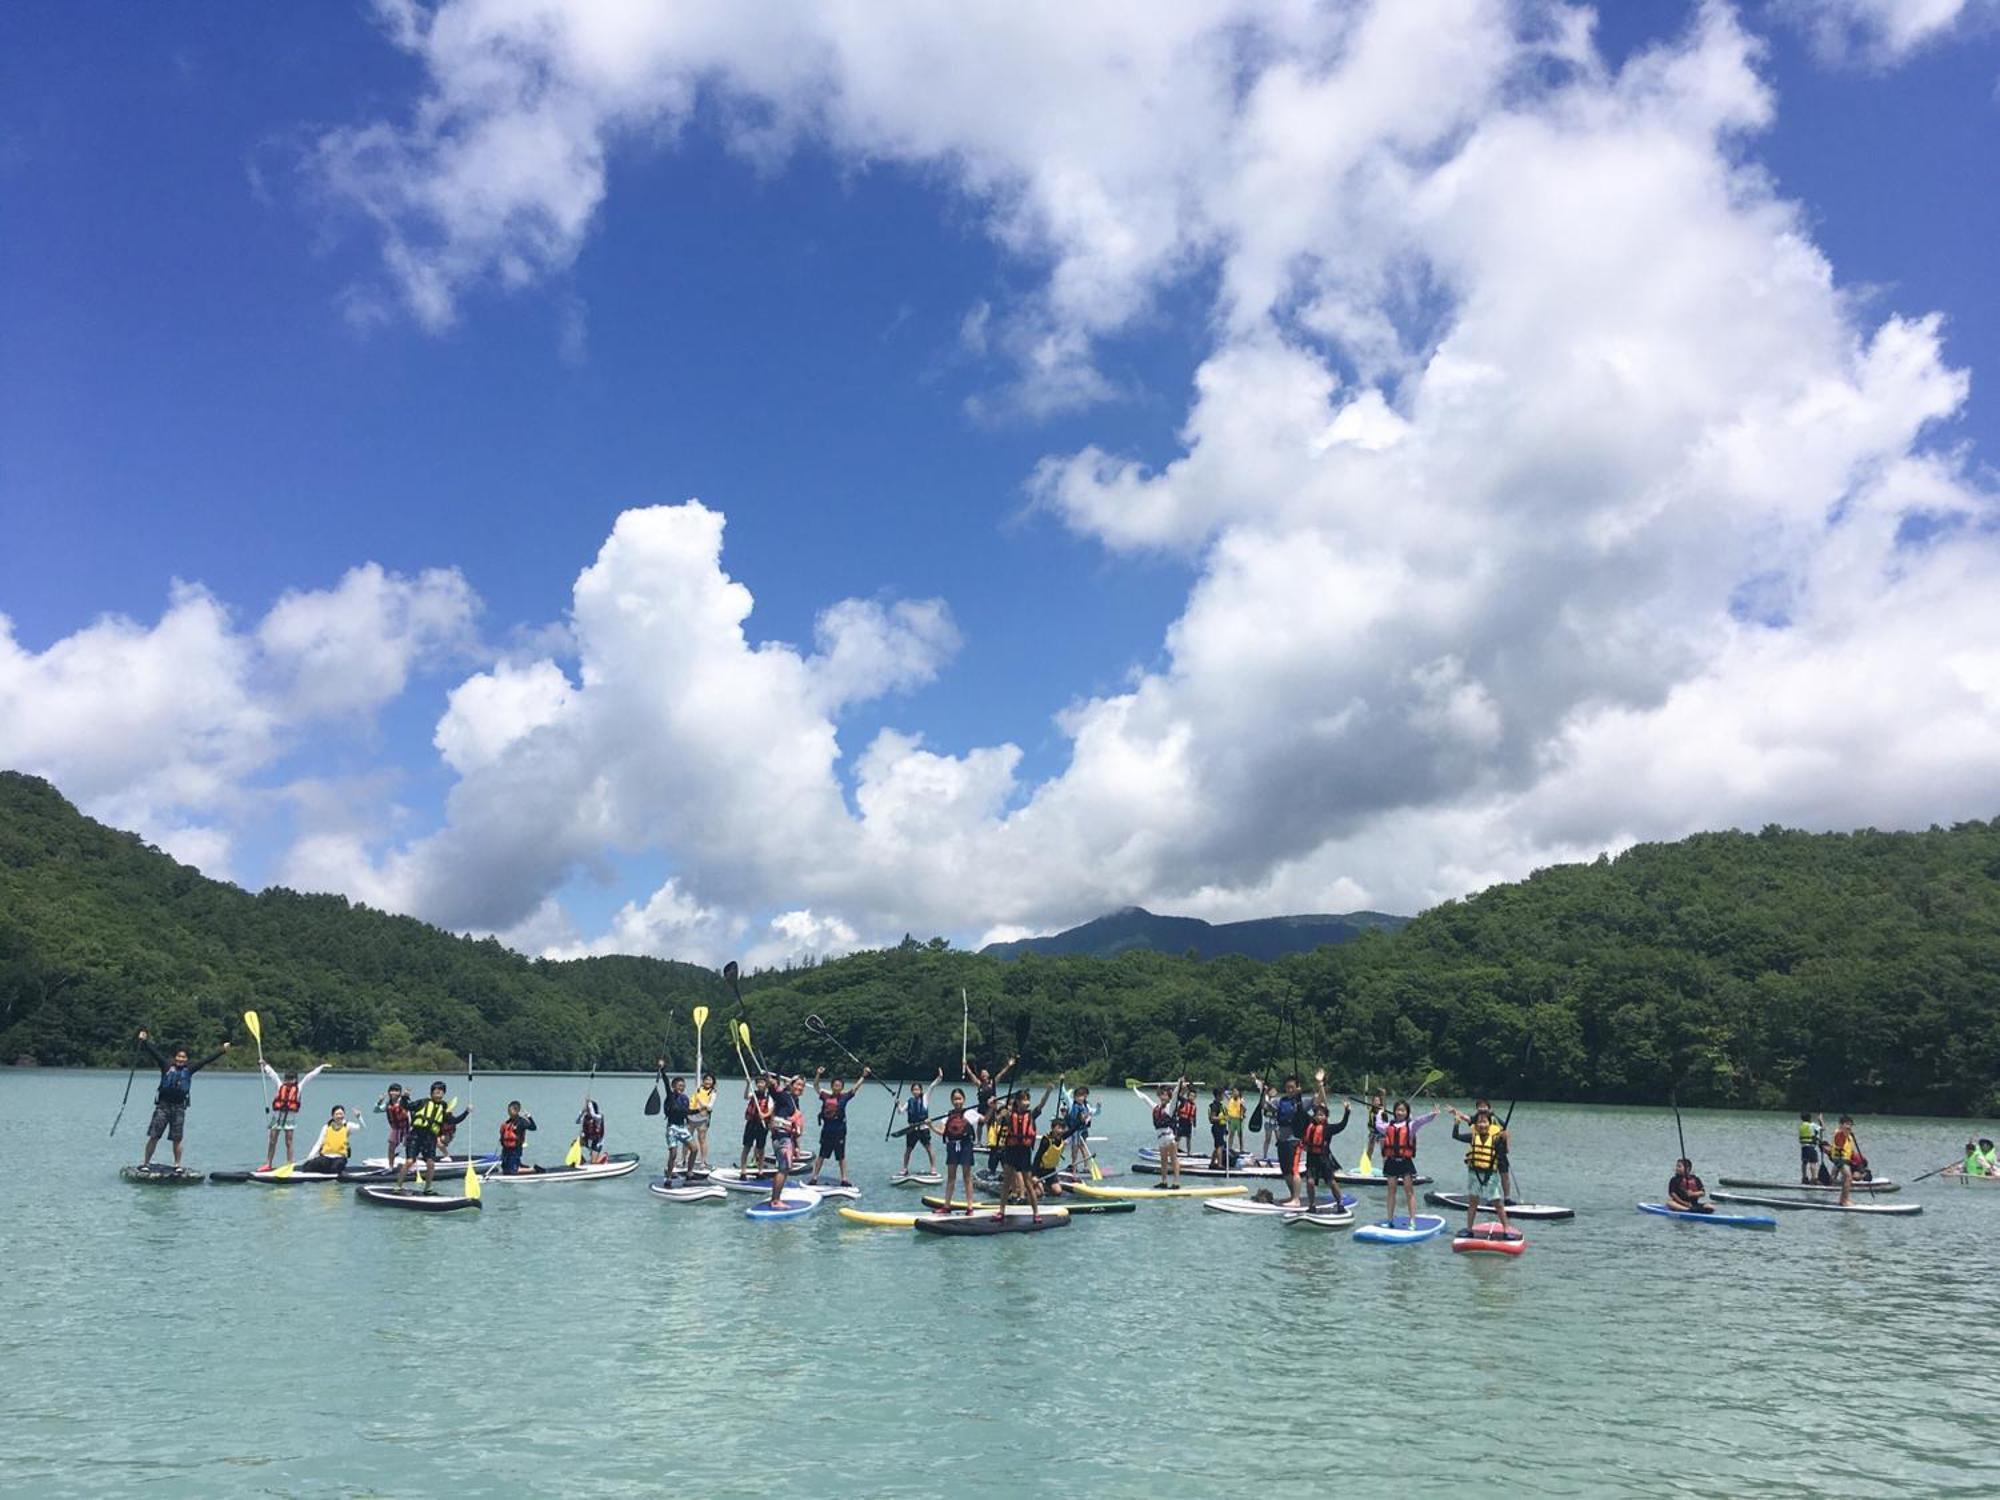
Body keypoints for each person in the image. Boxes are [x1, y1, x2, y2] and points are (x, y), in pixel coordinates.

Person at [135, 1029, 230, 1171]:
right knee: (154, 1136)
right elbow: (154, 1053)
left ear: (186, 1059)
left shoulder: (189, 1069)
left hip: (179, 1108)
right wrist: (144, 1040)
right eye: (178, 1057)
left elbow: (206, 1060)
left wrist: (222, 1050)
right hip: (163, 1107)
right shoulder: (166, 1066)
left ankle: (177, 1165)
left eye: (183, 1057)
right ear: (175, 1058)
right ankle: (146, 1163)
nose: (180, 1059)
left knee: (177, 1139)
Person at [1447, 1099, 1511, 1234]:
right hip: (1474, 1173)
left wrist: (1504, 1139)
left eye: (1484, 1122)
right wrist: (1456, 1123)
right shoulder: (1472, 1136)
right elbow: (1455, 1136)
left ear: (1489, 1124)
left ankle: (1506, 1229)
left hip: (1490, 1174)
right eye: (1479, 1122)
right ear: (1476, 1124)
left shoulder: (1496, 1138)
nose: (1482, 1124)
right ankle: (1469, 1229)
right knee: (1473, 1203)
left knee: (1498, 1203)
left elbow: (1504, 1151)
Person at [1375, 1097, 1440, 1225]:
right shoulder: (1389, 1126)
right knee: (1391, 1191)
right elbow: (1378, 1126)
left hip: (1405, 1161)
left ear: (1407, 1113)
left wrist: (1433, 1114)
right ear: (1394, 1112)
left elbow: (1421, 1121)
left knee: (1409, 1191)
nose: (1400, 1113)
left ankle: (1412, 1220)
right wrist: (1379, 1113)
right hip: (1391, 1161)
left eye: (1403, 1110)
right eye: (1398, 1110)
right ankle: (1390, 1219)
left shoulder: (1411, 1125)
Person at [396, 1082, 471, 1192]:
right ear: (431, 1093)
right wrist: (404, 1097)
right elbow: (406, 1106)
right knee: (409, 1161)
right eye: (436, 1092)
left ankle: (428, 1188)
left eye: (441, 1092)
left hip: (430, 1138)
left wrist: (466, 1112)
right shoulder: (422, 1102)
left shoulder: (443, 1106)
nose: (439, 1094)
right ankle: (398, 1186)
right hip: (416, 1135)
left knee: (431, 1163)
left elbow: (453, 1121)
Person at [261, 1060, 330, 1170]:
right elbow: (273, 1075)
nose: (288, 1081)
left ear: (295, 1079)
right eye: (287, 1079)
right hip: (277, 1117)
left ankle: (289, 1163)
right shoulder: (280, 1085)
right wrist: (265, 1065)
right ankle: (268, 1163)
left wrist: (321, 1067)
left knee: (288, 1141)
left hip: (289, 1118)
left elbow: (309, 1076)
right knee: (272, 1140)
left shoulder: (299, 1087)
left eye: (291, 1079)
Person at [998, 1085, 1053, 1221]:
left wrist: (1048, 1091)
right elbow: (999, 1119)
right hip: (1011, 1150)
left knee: (1028, 1183)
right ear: (1017, 1102)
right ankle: (1001, 1211)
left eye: (1027, 1099)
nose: (1026, 1102)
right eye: (1023, 1100)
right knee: (1007, 1182)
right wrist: (1000, 1111)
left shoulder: (1031, 1114)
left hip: (1024, 1151)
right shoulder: (1010, 1115)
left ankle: (1036, 1213)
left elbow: (1041, 1104)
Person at [1299, 1073, 1351, 1214]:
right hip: (1311, 1158)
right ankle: (1311, 1205)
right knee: (1309, 1182)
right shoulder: (1310, 1123)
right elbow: (1302, 1110)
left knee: (1331, 1182)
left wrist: (1347, 1112)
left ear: (1326, 1117)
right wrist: (1300, 1094)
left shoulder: (1328, 1128)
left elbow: (1342, 1125)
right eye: (1318, 1114)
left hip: (1324, 1159)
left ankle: (1340, 1203)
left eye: (1322, 1115)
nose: (1319, 1116)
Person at [809, 1066, 869, 1186]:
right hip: (827, 1130)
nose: (837, 1086)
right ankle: (814, 1177)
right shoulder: (826, 1096)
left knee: (841, 1156)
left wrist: (863, 1076)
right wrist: (818, 1074)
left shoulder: (844, 1097)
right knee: (821, 1155)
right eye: (835, 1085)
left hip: (840, 1131)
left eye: (839, 1085)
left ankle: (844, 1179)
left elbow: (855, 1088)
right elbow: (816, 1086)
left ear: (842, 1087)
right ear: (832, 1086)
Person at [931, 1087, 980, 1212]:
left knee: (966, 1176)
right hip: (952, 1146)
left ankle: (970, 1207)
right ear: (951, 1101)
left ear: (963, 1099)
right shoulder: (947, 1116)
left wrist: (991, 1107)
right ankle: (947, 1206)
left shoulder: (970, 1113)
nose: (957, 1101)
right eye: (955, 1099)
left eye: (959, 1098)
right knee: (951, 1177)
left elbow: (984, 1120)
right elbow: (942, 1132)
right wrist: (930, 1125)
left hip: (966, 1146)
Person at [1270, 1075, 1313, 1207]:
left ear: (1297, 1088)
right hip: (1282, 1140)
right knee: (1286, 1172)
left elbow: (1319, 1100)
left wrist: (1320, 1085)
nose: (1289, 1090)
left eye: (1292, 1087)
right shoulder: (1280, 1101)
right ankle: (1292, 1195)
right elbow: (1265, 1106)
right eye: (1288, 1087)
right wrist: (1264, 1093)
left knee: (1294, 1170)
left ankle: (1296, 1199)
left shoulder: (1302, 1102)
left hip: (1294, 1140)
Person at [765, 1075, 806, 1207]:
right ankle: (775, 1200)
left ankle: (776, 1198)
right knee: (783, 1168)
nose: (799, 1087)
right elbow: (775, 1092)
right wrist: (772, 1084)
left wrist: (797, 1147)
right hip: (781, 1137)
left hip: (787, 1137)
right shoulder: (785, 1096)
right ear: (791, 1085)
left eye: (802, 1086)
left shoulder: (794, 1101)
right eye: (797, 1084)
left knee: (784, 1168)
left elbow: (795, 1125)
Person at [1133, 1081, 1183, 1189]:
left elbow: (1175, 1094)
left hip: (1169, 1136)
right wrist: (1135, 1089)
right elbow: (1145, 1098)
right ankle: (1164, 1181)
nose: (1163, 1096)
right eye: (1161, 1094)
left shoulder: (1170, 1107)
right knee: (1163, 1160)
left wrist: (1179, 1083)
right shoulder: (1156, 1107)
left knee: (1173, 1158)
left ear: (1168, 1097)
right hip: (1160, 1138)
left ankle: (1176, 1182)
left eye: (1165, 1094)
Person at [900, 1070, 944, 1176]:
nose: (916, 1091)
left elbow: (932, 1086)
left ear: (921, 1090)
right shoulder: (909, 1101)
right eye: (914, 1090)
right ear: (911, 1091)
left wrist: (940, 1077)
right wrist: (897, 1104)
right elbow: (900, 1111)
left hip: (923, 1128)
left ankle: (933, 1168)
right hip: (911, 1129)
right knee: (908, 1150)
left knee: (929, 1148)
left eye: (917, 1089)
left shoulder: (925, 1098)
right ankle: (904, 1168)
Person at [298, 1105, 360, 1175]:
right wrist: (310, 1157)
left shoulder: (348, 1126)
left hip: (339, 1158)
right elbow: (319, 1144)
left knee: (335, 1168)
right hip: (326, 1157)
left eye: (341, 1114)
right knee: (307, 1166)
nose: (339, 1116)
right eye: (337, 1114)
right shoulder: (326, 1127)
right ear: (333, 1116)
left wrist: (359, 1117)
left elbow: (362, 1129)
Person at [661, 1075, 695, 1181]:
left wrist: (698, 1112)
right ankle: (669, 1177)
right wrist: (662, 1070)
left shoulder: (685, 1098)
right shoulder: (670, 1096)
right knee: (673, 1153)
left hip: (682, 1128)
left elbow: (686, 1112)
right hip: (672, 1128)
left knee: (694, 1149)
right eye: (679, 1085)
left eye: (683, 1086)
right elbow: (666, 1082)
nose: (681, 1087)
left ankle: (689, 1173)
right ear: (673, 1086)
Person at [738, 1074, 773, 1172]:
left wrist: (764, 1115)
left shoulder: (769, 1096)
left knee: (760, 1149)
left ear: (766, 1084)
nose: (760, 1085)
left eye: (762, 1083)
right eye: (758, 1083)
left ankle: (760, 1171)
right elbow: (745, 1096)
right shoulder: (753, 1093)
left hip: (762, 1125)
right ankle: (743, 1171)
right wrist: (748, 1084)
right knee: (747, 1147)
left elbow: (771, 1110)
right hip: (751, 1123)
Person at [1829, 1116, 1866, 1206]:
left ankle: (1844, 1199)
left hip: (1846, 1159)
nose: (1849, 1126)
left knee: (1848, 1178)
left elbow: (1849, 1148)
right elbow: (1841, 1139)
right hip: (1839, 1159)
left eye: (1850, 1125)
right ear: (1841, 1125)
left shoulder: (1849, 1135)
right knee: (1848, 1177)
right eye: (1847, 1124)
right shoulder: (1839, 1133)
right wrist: (1846, 1131)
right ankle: (1843, 1201)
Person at [496, 1101, 538, 1175]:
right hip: (506, 1150)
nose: (508, 1112)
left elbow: (533, 1128)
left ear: (516, 1111)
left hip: (515, 1150)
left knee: (512, 1172)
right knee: (505, 1169)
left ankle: (534, 1169)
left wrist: (529, 1117)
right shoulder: (508, 1122)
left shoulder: (521, 1122)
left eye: (510, 1110)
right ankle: (521, 1166)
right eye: (508, 1110)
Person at [374, 1084, 411, 1167]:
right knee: (391, 1147)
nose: (393, 1093)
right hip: (396, 1129)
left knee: (408, 1147)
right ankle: (391, 1166)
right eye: (391, 1091)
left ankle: (410, 1164)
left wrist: (406, 1096)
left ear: (400, 1093)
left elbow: (411, 1110)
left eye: (396, 1091)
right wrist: (380, 1101)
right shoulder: (388, 1104)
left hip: (407, 1128)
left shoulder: (404, 1102)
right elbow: (376, 1110)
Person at [1064, 1086, 1097, 1173]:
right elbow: (1065, 1096)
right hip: (1074, 1132)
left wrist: (1097, 1108)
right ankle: (1074, 1169)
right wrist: (1062, 1085)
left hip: (1082, 1131)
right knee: (1074, 1150)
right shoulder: (1072, 1104)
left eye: (1082, 1096)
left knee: (1082, 1148)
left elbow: (1093, 1113)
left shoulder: (1086, 1106)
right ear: (1075, 1097)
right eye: (1079, 1096)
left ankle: (1086, 1167)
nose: (1081, 1098)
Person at [689, 1072, 716, 1170]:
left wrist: (702, 1103)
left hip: (703, 1119)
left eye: (710, 1080)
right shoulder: (698, 1088)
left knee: (702, 1139)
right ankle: (683, 1159)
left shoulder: (713, 1093)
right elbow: (696, 1077)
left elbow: (709, 1106)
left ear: (713, 1082)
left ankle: (703, 1161)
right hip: (691, 1117)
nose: (708, 1081)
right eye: (706, 1079)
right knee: (687, 1138)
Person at [576, 1097, 607, 1164]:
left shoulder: (599, 1117)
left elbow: (593, 1115)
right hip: (588, 1139)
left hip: (597, 1141)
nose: (588, 1111)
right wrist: (581, 1112)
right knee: (574, 1144)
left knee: (594, 1162)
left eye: (588, 1109)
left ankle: (604, 1155)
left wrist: (589, 1104)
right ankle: (582, 1161)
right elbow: (577, 1121)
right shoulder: (586, 1117)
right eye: (587, 1109)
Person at [1206, 1085, 1229, 1169]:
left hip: (1221, 1128)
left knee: (1218, 1146)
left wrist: (1225, 1129)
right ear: (1218, 1095)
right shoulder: (1215, 1106)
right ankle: (1219, 1164)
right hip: (1217, 1128)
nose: (1223, 1096)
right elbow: (1212, 1118)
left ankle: (1212, 1163)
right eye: (1222, 1095)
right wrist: (1223, 1117)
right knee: (1220, 1146)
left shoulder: (1220, 1105)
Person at [1224, 1086, 1247, 1157]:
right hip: (1231, 1119)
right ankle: (1229, 1148)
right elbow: (1225, 1093)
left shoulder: (1241, 1100)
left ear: (1239, 1093)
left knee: (1240, 1135)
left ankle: (1241, 1149)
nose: (1235, 1093)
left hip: (1239, 1119)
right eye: (1233, 1092)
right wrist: (1229, 1092)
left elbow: (1244, 1109)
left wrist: (1242, 1115)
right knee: (1231, 1134)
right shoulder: (1230, 1099)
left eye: (1236, 1091)